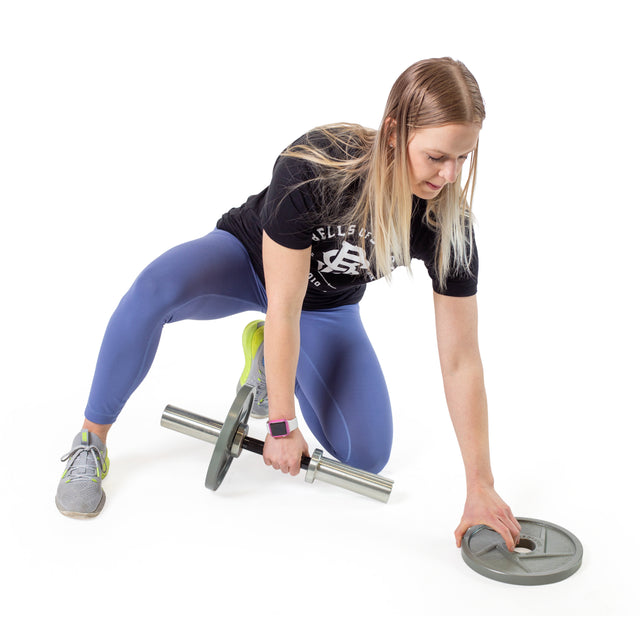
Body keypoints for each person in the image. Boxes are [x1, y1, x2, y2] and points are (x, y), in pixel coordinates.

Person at [55, 57, 522, 551]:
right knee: (155, 288)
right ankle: (91, 440)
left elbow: (460, 360)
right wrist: (281, 424)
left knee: (365, 452)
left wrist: (480, 485)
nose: (449, 175)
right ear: (393, 132)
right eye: (436, 157)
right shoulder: (317, 165)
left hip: (324, 308)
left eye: (463, 159)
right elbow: (281, 304)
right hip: (249, 262)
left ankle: (267, 358)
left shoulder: (449, 226)